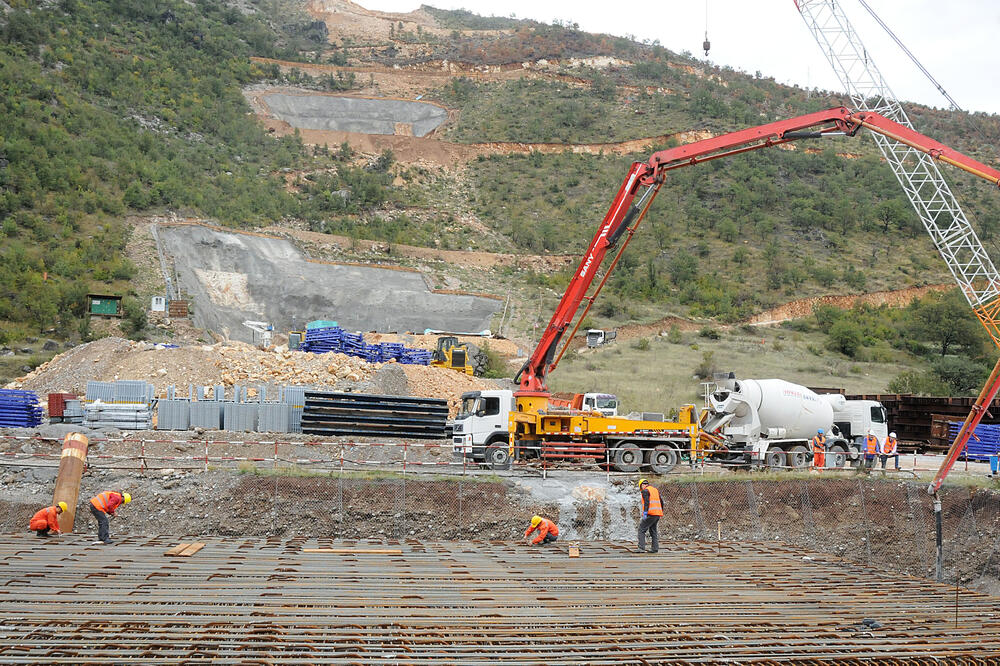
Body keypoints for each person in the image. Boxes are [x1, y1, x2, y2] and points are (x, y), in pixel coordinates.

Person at [637, 478, 663, 553]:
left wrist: (645, 513)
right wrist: (660, 511)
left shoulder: (645, 491)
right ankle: (655, 548)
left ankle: (641, 548)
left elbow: (646, 502)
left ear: (641, 485)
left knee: (641, 529)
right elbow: (661, 501)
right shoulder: (655, 490)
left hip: (650, 514)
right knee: (653, 530)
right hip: (657, 514)